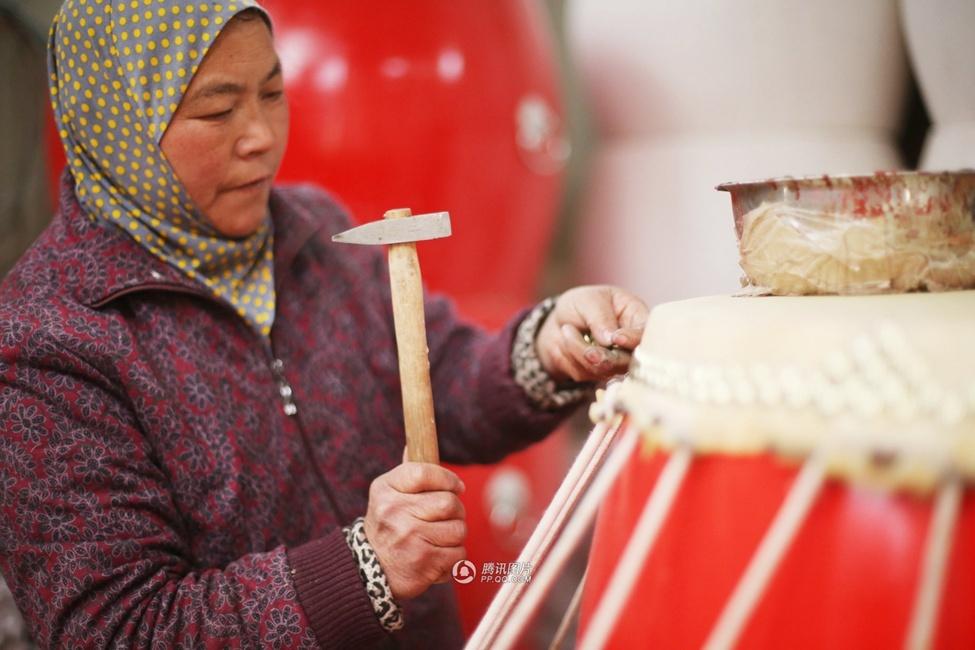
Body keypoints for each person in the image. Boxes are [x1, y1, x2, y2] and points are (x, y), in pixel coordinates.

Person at [0, 1, 648, 648]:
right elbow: (117, 629)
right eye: (217, 111)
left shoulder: (311, 233)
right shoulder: (49, 337)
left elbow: (441, 378)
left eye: (273, 92)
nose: (259, 135)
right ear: (118, 123)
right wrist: (366, 568)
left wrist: (551, 346)